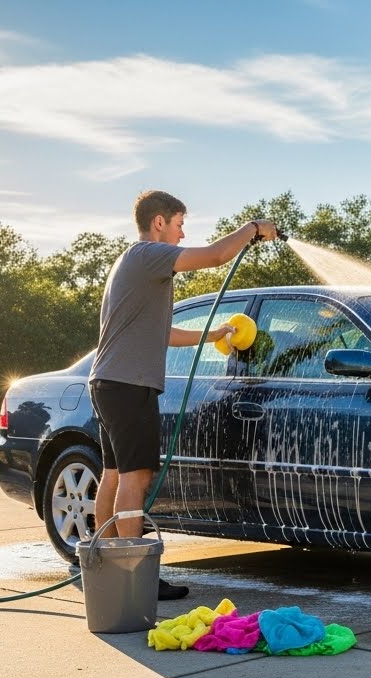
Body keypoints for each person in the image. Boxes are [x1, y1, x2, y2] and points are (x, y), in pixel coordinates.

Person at [89, 190, 279, 600]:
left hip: (110, 382)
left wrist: (211, 335)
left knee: (115, 473)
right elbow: (213, 256)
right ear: (159, 222)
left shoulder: (134, 266)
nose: (182, 233)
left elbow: (163, 333)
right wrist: (252, 229)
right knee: (136, 475)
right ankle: (135, 572)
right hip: (128, 385)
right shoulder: (147, 255)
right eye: (178, 224)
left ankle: (103, 564)